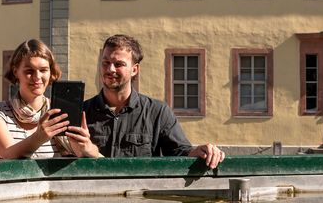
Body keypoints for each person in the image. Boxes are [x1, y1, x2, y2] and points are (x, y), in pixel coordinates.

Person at [65, 34, 226, 168]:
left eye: (118, 64)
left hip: (142, 202)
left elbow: (180, 153)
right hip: (94, 202)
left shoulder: (158, 112)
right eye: (106, 63)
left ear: (134, 69)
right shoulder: (81, 112)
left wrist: (202, 151)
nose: (110, 69)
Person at [0, 39, 71, 158]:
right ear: (15, 72)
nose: (37, 77)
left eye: (43, 70)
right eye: (29, 71)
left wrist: (84, 146)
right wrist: (38, 138)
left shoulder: (60, 113)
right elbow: (8, 154)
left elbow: (80, 156)